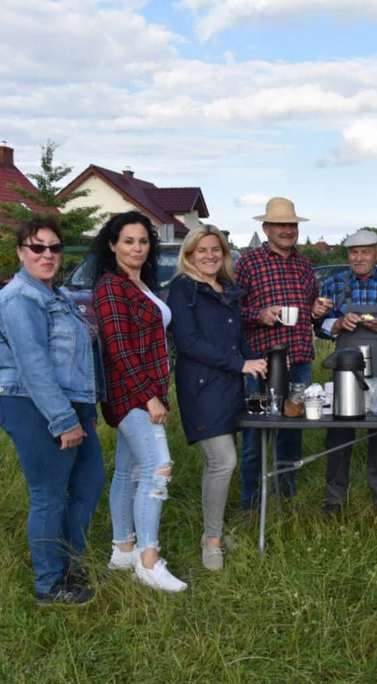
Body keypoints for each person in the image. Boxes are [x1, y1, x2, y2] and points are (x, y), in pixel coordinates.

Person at [0, 216, 106, 606]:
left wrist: (82, 409)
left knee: (87, 485)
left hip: (68, 402)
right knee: (49, 495)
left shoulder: (56, 296)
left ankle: (70, 564)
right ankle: (49, 584)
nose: (48, 254)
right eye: (37, 247)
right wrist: (62, 420)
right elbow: (34, 365)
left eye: (54, 247)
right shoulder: (20, 299)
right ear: (21, 252)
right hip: (31, 404)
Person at [92, 211, 186, 593]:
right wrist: (149, 396)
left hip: (143, 391)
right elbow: (119, 349)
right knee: (158, 468)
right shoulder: (111, 286)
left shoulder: (141, 284)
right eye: (128, 241)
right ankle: (148, 561)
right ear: (112, 245)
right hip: (132, 394)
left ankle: (122, 549)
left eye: (143, 241)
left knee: (128, 472)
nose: (137, 248)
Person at [167, 225, 268, 570]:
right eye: (201, 250)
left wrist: (260, 360)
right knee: (223, 461)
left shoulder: (226, 289)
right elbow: (189, 341)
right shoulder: (182, 289)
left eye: (216, 250)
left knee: (222, 462)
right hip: (200, 386)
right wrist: (241, 363)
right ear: (190, 254)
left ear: (224, 254)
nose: (209, 256)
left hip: (227, 386)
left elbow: (235, 339)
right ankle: (211, 542)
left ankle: (216, 532)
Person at [235, 197, 330, 517]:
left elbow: (310, 313)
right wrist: (258, 315)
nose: (288, 231)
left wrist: (316, 310)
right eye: (281, 225)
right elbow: (233, 312)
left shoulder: (304, 266)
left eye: (292, 225)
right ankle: (251, 506)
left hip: (300, 360)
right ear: (266, 228)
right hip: (261, 363)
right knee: (255, 435)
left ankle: (285, 501)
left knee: (291, 434)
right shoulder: (248, 264)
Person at [316, 229, 377, 510]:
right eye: (353, 252)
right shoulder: (334, 284)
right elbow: (318, 325)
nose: (359, 258)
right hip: (345, 363)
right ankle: (334, 499)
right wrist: (334, 325)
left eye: (365, 252)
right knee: (339, 428)